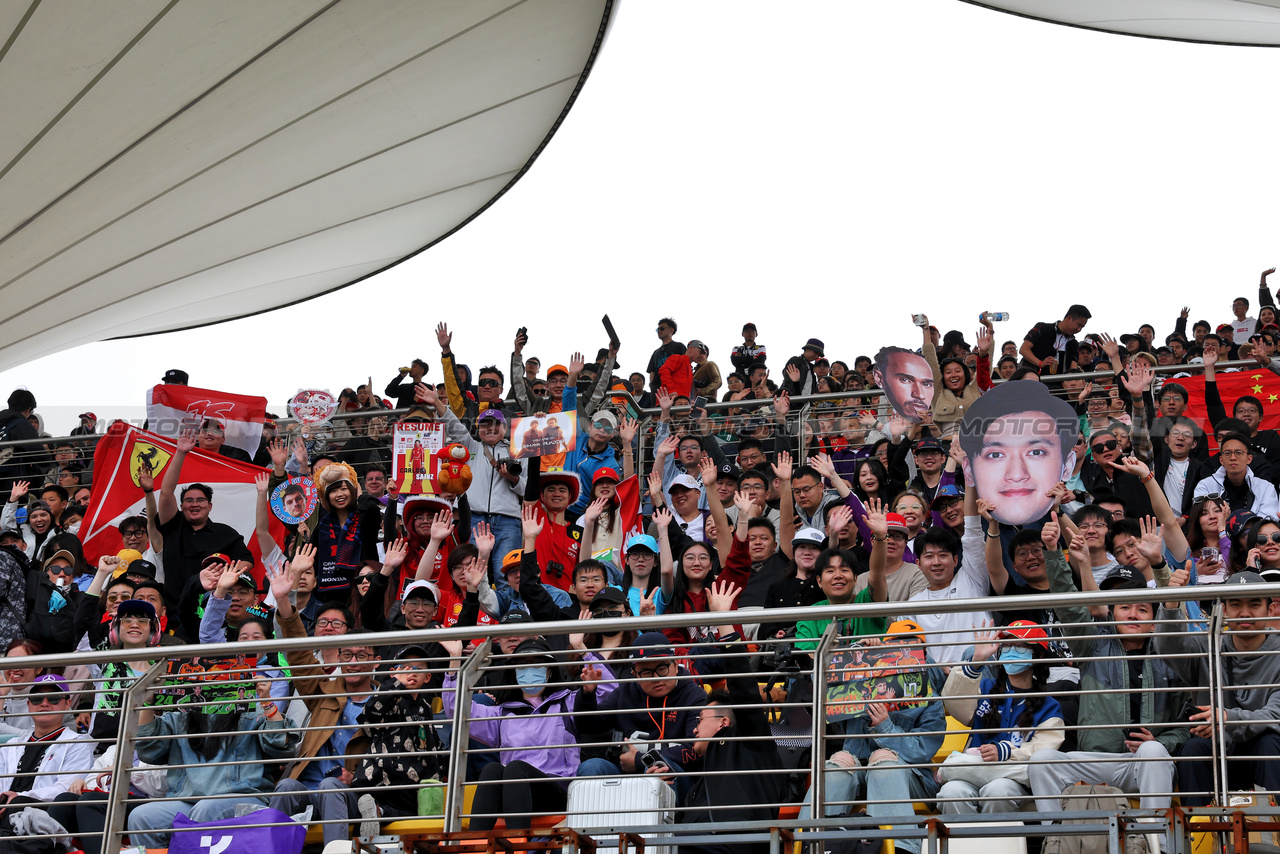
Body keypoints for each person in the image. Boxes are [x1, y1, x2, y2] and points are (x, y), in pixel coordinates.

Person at [797, 621, 945, 854]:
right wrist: (855, 651)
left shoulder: (931, 699)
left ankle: (899, 849)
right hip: (859, 770)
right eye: (895, 647)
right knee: (838, 762)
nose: (903, 653)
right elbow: (820, 684)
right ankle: (807, 844)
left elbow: (920, 752)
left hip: (910, 776)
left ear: (923, 656)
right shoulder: (861, 682)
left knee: (883, 759)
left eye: (913, 647)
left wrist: (886, 727)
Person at [270, 557, 383, 846]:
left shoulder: (387, 702)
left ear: (376, 662)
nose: (353, 662)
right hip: (309, 786)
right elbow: (299, 656)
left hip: (352, 791)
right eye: (346, 655)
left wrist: (357, 780)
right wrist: (284, 600)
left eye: (361, 656)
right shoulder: (324, 692)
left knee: (330, 785)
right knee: (284, 786)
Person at [126, 664, 300, 847]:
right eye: (208, 676)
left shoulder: (251, 714)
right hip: (187, 800)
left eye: (221, 676)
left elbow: (280, 744)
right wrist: (146, 700)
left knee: (207, 809)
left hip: (242, 797)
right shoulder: (181, 716)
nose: (213, 681)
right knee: (141, 818)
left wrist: (265, 700)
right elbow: (148, 744)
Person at [1154, 571, 1280, 806]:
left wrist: (1226, 719)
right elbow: (1168, 646)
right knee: (1193, 749)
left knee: (1269, 743)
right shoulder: (1207, 644)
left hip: (1263, 752)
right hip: (1217, 750)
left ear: (1270, 610)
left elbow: (1275, 715)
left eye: (1254, 604)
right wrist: (1171, 601)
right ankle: (1198, 835)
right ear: (1223, 610)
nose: (1244, 613)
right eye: (1235, 604)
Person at [443, 636, 578, 832]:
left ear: (549, 671)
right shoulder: (503, 713)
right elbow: (456, 710)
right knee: (491, 770)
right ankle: (473, 843)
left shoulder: (568, 703)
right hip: (514, 795)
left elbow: (607, 694)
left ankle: (518, 844)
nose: (529, 670)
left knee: (515, 769)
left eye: (537, 664)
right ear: (514, 673)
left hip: (556, 792)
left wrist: (583, 649)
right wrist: (455, 658)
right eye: (522, 666)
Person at [939, 623, 1064, 814]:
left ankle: (997, 844)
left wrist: (1006, 752)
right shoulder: (985, 687)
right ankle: (961, 843)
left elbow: (1044, 753)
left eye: (1020, 646)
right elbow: (954, 704)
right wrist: (976, 662)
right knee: (951, 791)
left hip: (1013, 781)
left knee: (998, 790)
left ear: (1038, 655)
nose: (1011, 652)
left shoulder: (1049, 707)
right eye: (1006, 647)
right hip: (972, 774)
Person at [575, 630, 711, 777]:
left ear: (676, 664)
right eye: (646, 672)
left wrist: (641, 761)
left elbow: (696, 751)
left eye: (662, 669)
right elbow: (588, 727)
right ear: (634, 674)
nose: (656, 678)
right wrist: (587, 694)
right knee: (592, 767)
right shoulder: (625, 692)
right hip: (626, 773)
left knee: (657, 768)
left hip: (675, 777)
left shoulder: (695, 696)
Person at [155, 427, 253, 628]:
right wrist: (181, 453)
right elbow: (166, 492)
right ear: (182, 507)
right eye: (189, 501)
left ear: (210, 506)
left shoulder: (225, 533)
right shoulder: (173, 525)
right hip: (174, 616)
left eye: (201, 500)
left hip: (214, 613)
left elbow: (247, 561)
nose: (194, 504)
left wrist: (227, 574)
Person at [957, 378, 1080, 527]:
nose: (1016, 475)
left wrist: (1057, 510)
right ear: (969, 471)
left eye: (1036, 452)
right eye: (995, 455)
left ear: (1067, 465)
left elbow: (1082, 548)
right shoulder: (979, 531)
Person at [0, 674, 94, 806]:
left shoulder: (78, 744)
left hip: (42, 812)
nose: (44, 703)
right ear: (29, 704)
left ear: (67, 704)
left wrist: (18, 797)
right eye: (37, 698)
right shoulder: (12, 745)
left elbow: (65, 790)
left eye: (53, 698)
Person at [1192, 431, 1280, 516]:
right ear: (1221, 460)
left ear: (1249, 459)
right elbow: (1202, 517)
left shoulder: (1265, 488)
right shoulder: (1205, 486)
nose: (1233, 457)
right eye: (1227, 453)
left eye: (1238, 453)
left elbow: (1268, 519)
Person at [1020, 305, 1091, 373]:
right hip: (1035, 380)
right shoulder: (1042, 328)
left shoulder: (1073, 343)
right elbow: (1024, 349)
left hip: (1059, 383)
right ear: (1069, 318)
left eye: (1082, 327)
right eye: (1079, 325)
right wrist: (1040, 363)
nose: (1079, 329)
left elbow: (1073, 368)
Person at [872, 346, 935, 423]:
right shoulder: (885, 400)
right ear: (879, 378)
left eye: (926, 384)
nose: (920, 394)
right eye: (905, 380)